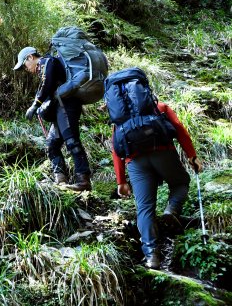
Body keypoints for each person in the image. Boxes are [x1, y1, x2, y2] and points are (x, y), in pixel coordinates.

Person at [111, 100, 202, 269]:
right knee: (181, 182)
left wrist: (121, 181)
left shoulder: (120, 116)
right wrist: (192, 155)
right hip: (163, 153)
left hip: (135, 162)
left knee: (144, 208)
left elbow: (116, 148)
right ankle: (171, 210)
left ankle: (152, 255)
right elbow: (179, 128)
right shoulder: (159, 107)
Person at [14, 46, 93, 191]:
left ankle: (83, 181)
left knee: (72, 141)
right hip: (60, 109)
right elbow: (47, 86)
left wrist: (35, 105)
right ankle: (60, 180)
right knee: (52, 144)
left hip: (67, 106)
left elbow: (47, 84)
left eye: (24, 64)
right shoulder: (44, 67)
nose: (25, 69)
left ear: (30, 57)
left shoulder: (47, 62)